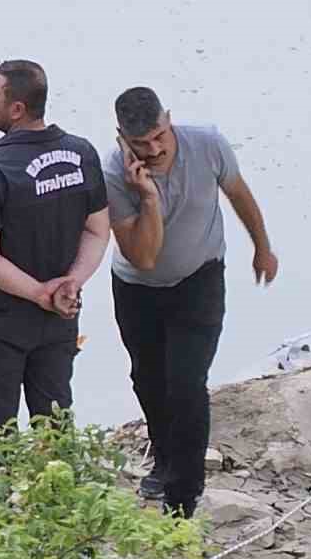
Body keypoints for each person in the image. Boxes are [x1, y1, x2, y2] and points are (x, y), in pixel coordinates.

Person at [105, 86, 278, 518]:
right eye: (141, 143)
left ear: (169, 118)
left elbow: (239, 193)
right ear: (121, 138)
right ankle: (164, 459)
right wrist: (147, 196)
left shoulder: (208, 143)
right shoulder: (112, 173)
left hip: (199, 278)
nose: (155, 149)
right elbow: (142, 257)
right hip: (136, 288)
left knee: (185, 383)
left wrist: (262, 247)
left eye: (160, 135)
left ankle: (183, 497)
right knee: (147, 379)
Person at [0, 59, 111, 441]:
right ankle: (60, 497)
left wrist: (39, 294)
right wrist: (70, 283)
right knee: (55, 424)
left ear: (16, 108)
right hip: (60, 315)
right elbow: (97, 231)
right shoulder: (82, 154)